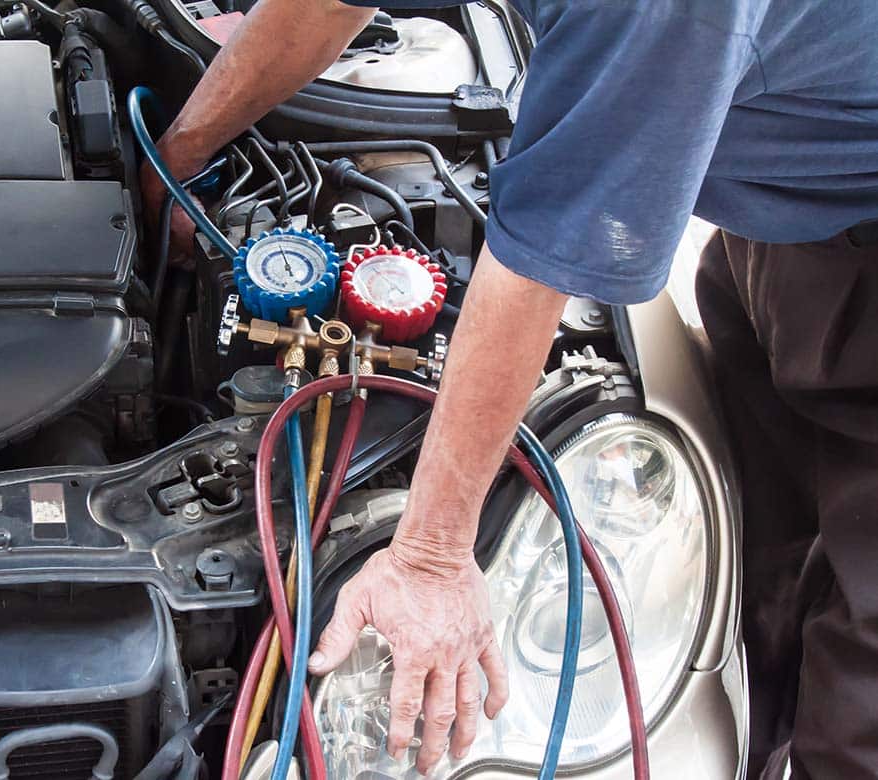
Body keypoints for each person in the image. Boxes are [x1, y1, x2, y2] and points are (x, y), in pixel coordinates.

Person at [141, 1, 878, 776]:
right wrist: (178, 159)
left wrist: (430, 557)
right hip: (792, 211)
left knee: (863, 686)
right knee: (756, 569)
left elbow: (539, 267)